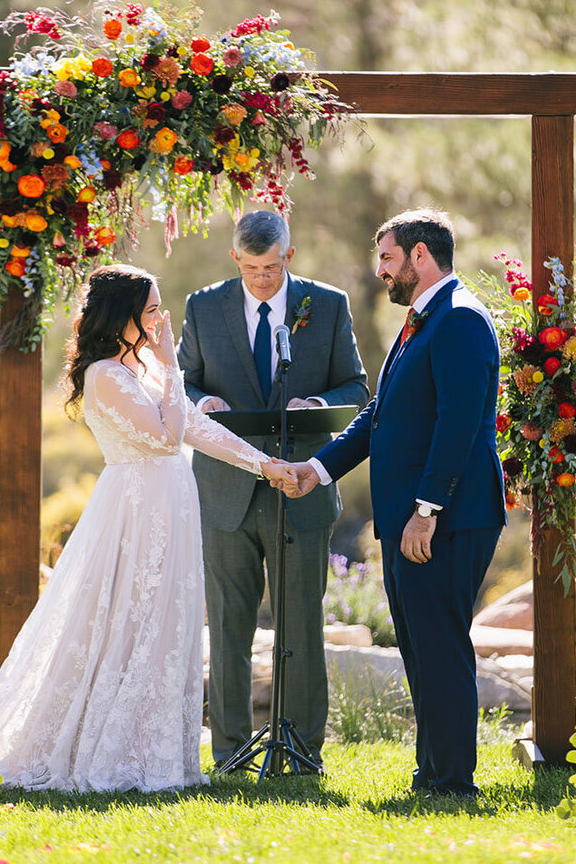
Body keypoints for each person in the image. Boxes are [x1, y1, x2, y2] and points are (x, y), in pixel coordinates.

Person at [0, 264, 297, 793]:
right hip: (133, 509)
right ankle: (94, 747)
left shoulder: (144, 364)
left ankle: (151, 748)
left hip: (172, 503)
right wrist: (173, 365)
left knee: (166, 622)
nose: (159, 318)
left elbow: (195, 425)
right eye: (150, 309)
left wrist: (264, 465)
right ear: (120, 313)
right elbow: (167, 437)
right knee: (123, 621)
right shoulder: (105, 375)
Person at [282, 208, 506, 796]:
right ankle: (431, 772)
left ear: (420, 256)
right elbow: (381, 416)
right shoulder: (420, 321)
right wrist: (317, 468)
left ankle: (454, 781)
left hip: (447, 519)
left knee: (441, 643)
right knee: (420, 646)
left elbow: (458, 425)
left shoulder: (458, 320)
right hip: (416, 518)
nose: (379, 270)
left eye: (387, 258)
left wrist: (427, 511)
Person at [177, 211, 368, 769]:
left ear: (291, 254)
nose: (263, 278)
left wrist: (314, 406)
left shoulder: (327, 304)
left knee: (302, 624)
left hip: (301, 484)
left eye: (273, 266)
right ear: (235, 259)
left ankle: (302, 750)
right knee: (229, 626)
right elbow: (182, 380)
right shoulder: (202, 305)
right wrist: (202, 403)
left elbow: (356, 385)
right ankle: (231, 750)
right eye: (252, 268)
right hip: (224, 491)